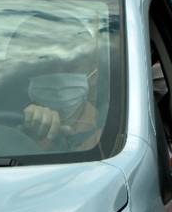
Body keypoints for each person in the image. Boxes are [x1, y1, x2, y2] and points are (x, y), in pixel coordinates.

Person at [6, 14, 104, 151]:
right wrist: (27, 139)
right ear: (25, 74)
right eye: (47, 66)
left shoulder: (112, 134)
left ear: (94, 74)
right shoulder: (7, 129)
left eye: (72, 66)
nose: (59, 76)